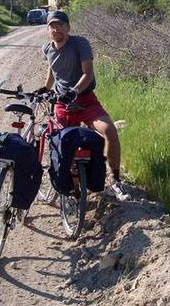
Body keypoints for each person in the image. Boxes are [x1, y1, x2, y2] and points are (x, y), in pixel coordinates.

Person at [37, 10, 130, 201]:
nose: (56, 29)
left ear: (68, 27)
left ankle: (115, 180)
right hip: (62, 104)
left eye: (60, 25)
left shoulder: (80, 44)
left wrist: (75, 91)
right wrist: (44, 89)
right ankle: (73, 190)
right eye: (52, 26)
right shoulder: (48, 49)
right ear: (48, 29)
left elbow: (87, 73)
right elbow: (52, 72)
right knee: (64, 146)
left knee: (110, 131)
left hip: (85, 100)